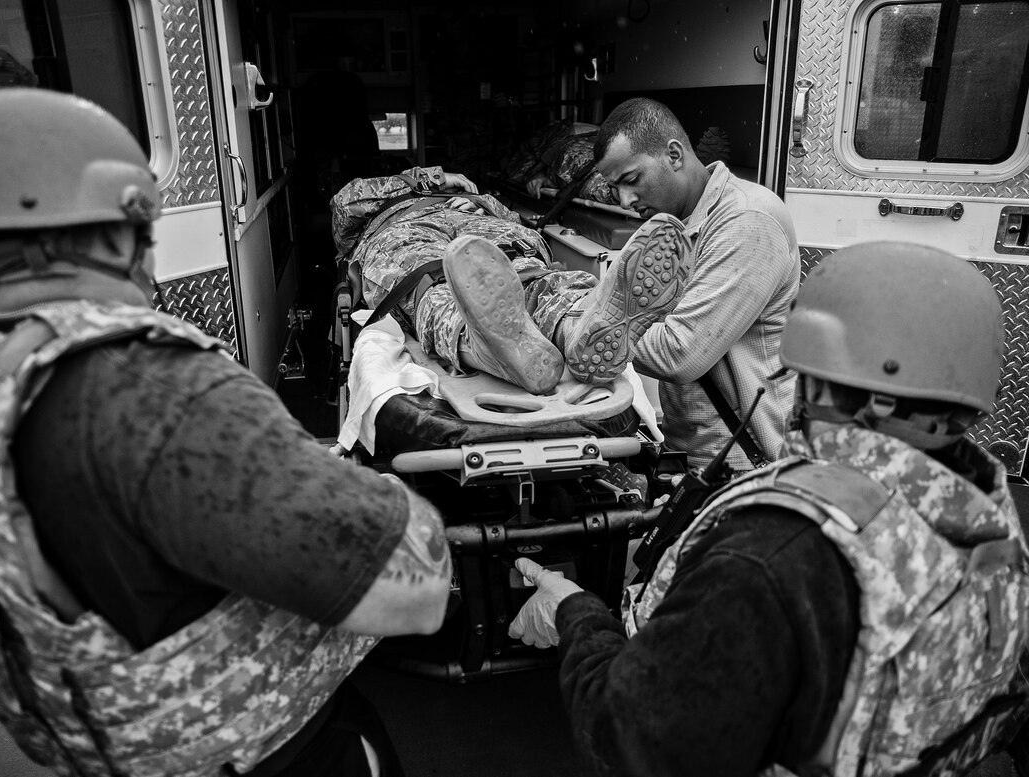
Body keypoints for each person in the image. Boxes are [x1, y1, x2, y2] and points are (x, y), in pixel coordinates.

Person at [0, 88, 452, 777]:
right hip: (277, 752)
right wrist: (371, 489)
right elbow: (414, 591)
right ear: (117, 226)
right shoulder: (157, 394)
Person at [508, 241, 1029, 776]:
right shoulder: (987, 513)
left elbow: (629, 744)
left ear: (817, 373)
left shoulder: (767, 556)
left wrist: (572, 614)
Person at [331, 165, 692, 396]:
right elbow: (344, 203)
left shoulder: (477, 196)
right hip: (406, 228)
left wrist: (486, 206)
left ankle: (580, 324)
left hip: (485, 225)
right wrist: (433, 178)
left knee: (530, 273)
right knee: (430, 280)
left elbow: (517, 222)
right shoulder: (382, 200)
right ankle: (487, 342)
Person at [594, 97, 800, 471]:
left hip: (747, 463)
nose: (625, 200)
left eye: (631, 179)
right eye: (614, 188)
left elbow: (680, 352)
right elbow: (627, 313)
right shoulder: (665, 228)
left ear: (674, 155)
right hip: (694, 455)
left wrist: (581, 329)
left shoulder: (748, 220)